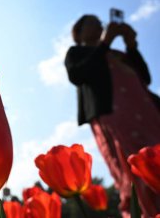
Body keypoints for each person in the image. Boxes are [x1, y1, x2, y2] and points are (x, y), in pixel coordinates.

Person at [64, 14, 160, 217]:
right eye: (92, 22)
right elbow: (77, 75)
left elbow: (146, 77)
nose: (99, 24)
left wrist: (131, 46)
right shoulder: (77, 53)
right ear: (79, 33)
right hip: (114, 116)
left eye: (100, 22)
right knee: (132, 164)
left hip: (147, 113)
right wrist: (105, 42)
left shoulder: (117, 53)